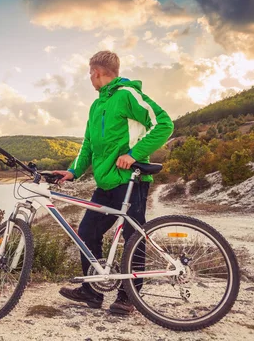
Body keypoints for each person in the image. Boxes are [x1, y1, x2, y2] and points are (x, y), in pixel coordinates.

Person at [53, 50, 174, 315]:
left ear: (96, 72)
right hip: (106, 184)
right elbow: (88, 146)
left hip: (131, 181)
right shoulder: (97, 106)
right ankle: (92, 292)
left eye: (89, 74)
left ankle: (128, 297)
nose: (90, 79)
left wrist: (133, 155)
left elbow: (164, 124)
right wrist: (73, 172)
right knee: (87, 234)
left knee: (133, 239)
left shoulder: (127, 95)